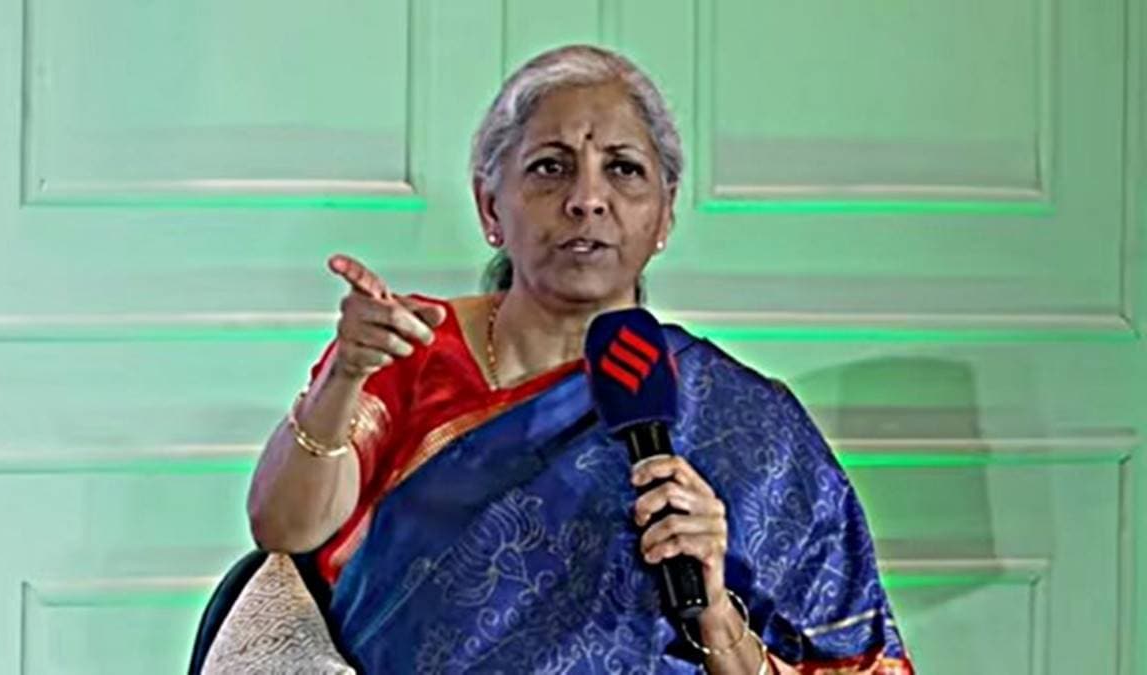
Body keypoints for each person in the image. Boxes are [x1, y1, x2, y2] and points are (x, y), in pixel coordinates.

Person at [246, 45, 915, 674]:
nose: (587, 199)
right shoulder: (410, 347)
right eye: (550, 167)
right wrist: (343, 377)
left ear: (664, 216)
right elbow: (282, 528)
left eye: (623, 168)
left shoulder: (749, 422)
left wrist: (712, 608)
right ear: (490, 206)